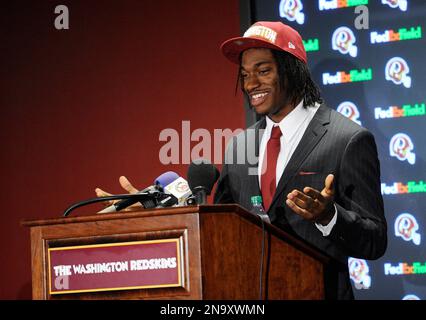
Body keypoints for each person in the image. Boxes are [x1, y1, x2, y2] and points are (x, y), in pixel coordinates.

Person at [214, 21, 387, 300]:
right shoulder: (238, 146)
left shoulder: (348, 139)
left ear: (293, 71)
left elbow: (375, 241)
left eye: (263, 71)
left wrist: (329, 216)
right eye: (245, 74)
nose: (250, 84)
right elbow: (220, 232)